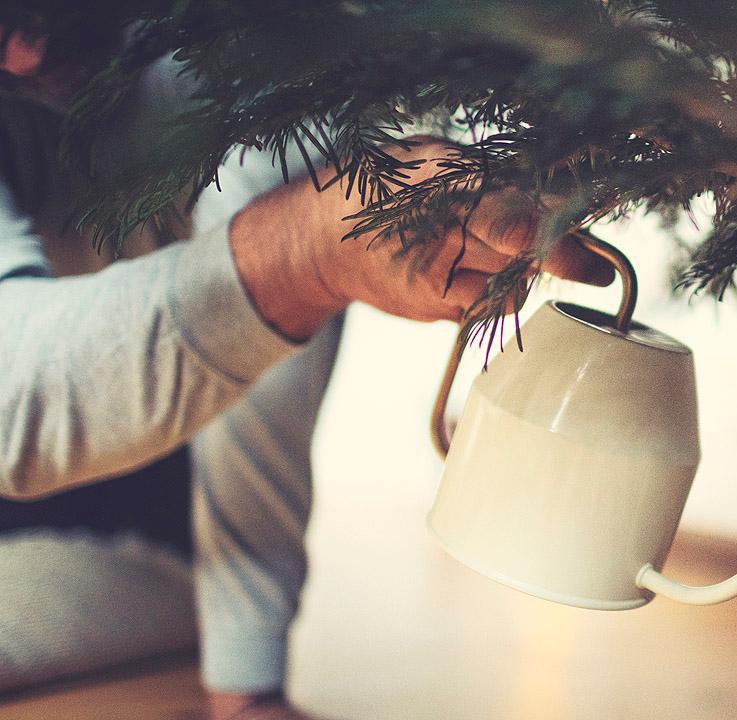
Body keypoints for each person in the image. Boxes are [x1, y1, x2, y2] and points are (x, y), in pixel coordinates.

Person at [0, 20, 610, 720]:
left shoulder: (230, 72)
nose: (24, 54)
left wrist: (246, 684)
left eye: (43, 11)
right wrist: (303, 253)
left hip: (142, 513)